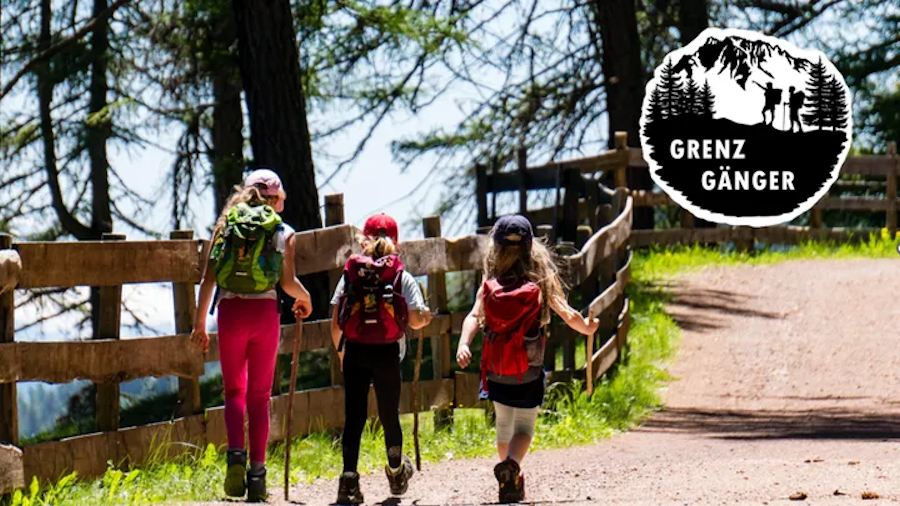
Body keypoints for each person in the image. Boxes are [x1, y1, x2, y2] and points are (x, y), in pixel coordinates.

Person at [455, 214, 599, 503]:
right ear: (531, 247)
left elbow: (473, 315)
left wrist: (463, 343)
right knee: (524, 427)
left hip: (496, 369)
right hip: (528, 369)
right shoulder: (539, 279)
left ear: (495, 248)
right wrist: (587, 327)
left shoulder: (491, 282)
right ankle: (511, 467)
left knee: (503, 424)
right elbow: (566, 313)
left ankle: (509, 477)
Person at [191, 168, 313, 502]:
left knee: (234, 391)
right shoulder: (283, 232)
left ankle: (235, 457)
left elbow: (208, 280)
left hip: (230, 312)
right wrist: (306, 298)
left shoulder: (226, 225)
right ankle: (257, 475)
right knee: (259, 397)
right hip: (264, 314)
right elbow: (287, 283)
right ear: (277, 199)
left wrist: (199, 325)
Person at [330, 213, 433, 504]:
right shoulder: (401, 275)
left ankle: (348, 481)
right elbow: (415, 320)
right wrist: (426, 317)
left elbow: (336, 322)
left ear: (364, 239)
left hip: (355, 351)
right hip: (388, 352)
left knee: (354, 417)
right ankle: (396, 472)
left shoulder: (351, 274)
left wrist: (341, 353)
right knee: (389, 414)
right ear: (396, 242)